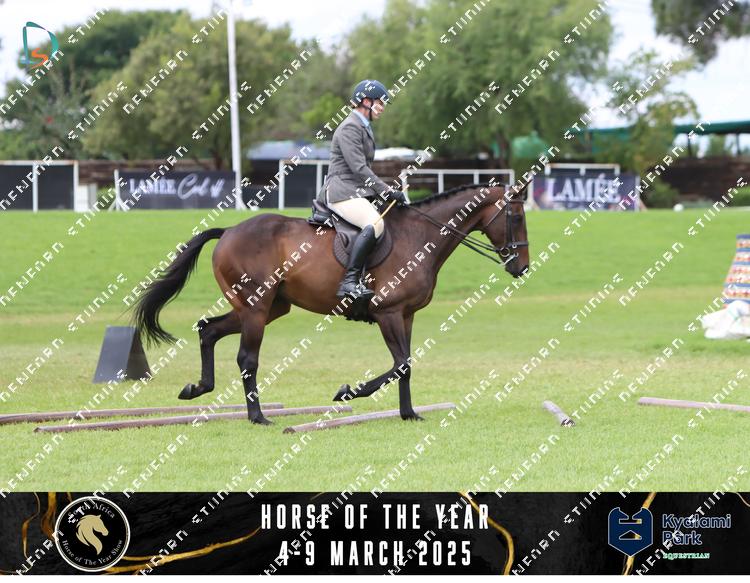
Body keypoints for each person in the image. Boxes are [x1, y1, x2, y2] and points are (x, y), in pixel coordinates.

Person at [323, 79, 407, 300]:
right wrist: (386, 191)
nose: (383, 108)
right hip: (342, 191)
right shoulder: (350, 127)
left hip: (356, 190)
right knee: (375, 223)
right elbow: (359, 168)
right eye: (380, 103)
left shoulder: (362, 126)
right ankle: (349, 282)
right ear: (366, 101)